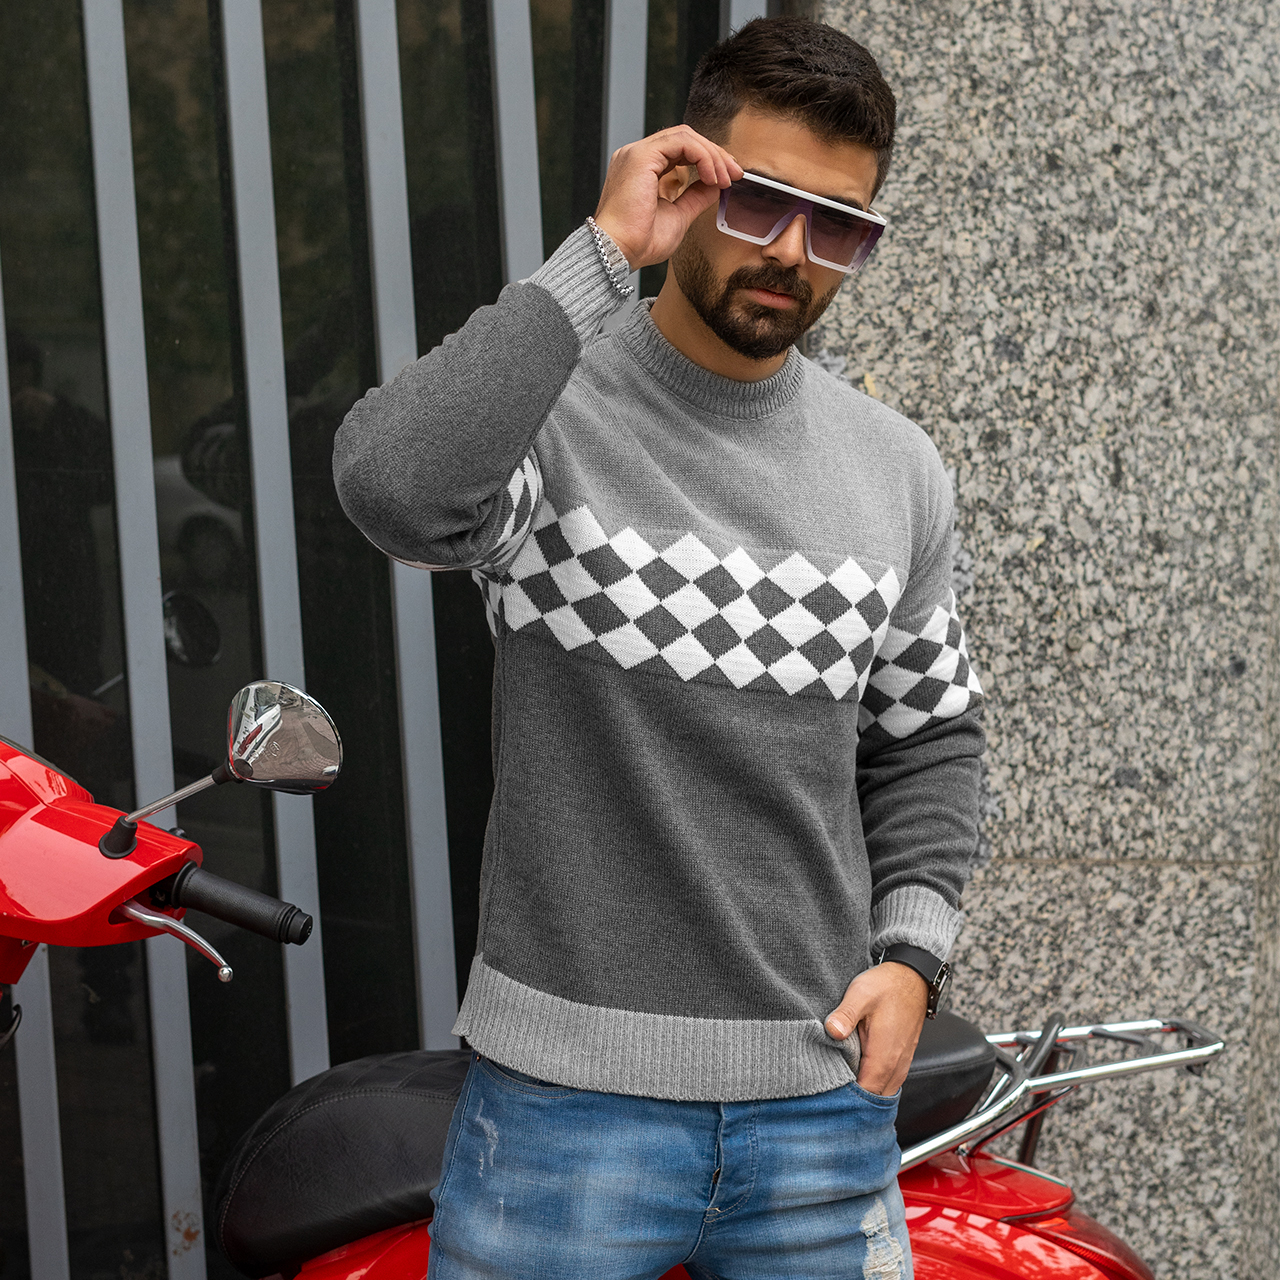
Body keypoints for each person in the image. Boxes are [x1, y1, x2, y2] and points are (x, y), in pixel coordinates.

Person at [334, 16, 984, 1279]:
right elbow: (393, 487)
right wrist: (599, 254)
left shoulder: (895, 469)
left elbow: (930, 734)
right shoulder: (551, 417)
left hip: (820, 1110)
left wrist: (911, 959)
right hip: (562, 1117)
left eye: (837, 227)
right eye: (760, 202)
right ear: (688, 178)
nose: (790, 254)